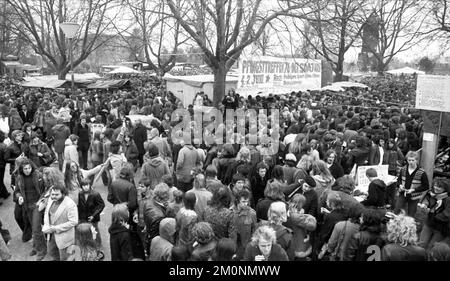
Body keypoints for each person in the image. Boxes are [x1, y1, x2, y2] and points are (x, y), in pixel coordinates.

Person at [13, 158, 47, 260]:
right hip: (26, 206)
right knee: (33, 228)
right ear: (21, 169)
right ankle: (36, 247)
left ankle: (42, 250)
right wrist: (19, 197)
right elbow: (17, 191)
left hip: (37, 205)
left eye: (29, 168)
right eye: (25, 169)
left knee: (36, 229)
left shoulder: (38, 175)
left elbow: (46, 189)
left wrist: (42, 201)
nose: (27, 170)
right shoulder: (19, 178)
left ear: (31, 167)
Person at [42, 184, 78, 261]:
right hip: (51, 236)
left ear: (63, 194)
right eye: (52, 194)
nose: (54, 196)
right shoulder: (51, 200)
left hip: (64, 238)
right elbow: (46, 212)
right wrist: (46, 225)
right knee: (52, 253)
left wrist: (55, 228)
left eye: (57, 194)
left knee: (66, 258)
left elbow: (73, 221)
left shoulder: (70, 204)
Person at [418, 177, 450, 251]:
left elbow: (446, 215)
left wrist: (430, 212)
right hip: (429, 224)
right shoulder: (431, 193)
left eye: (439, 187)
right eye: (435, 185)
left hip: (440, 228)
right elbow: (426, 199)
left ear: (445, 188)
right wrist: (424, 205)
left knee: (432, 247)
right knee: (421, 244)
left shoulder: (448, 199)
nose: (436, 188)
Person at [396, 151, 429, 217]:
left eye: (412, 160)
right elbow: (399, 180)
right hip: (403, 193)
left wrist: (413, 190)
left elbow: (426, 186)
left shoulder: (421, 172)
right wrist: (400, 185)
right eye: (409, 160)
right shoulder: (403, 169)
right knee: (397, 210)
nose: (411, 162)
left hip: (414, 196)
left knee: (411, 214)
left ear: (416, 160)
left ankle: (409, 226)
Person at [285, 194, 317, 261]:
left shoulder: (286, 208)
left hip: (290, 237)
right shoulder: (296, 216)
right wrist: (309, 217)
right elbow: (312, 226)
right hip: (299, 239)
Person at [77, 179, 105, 247]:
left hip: (93, 217)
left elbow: (101, 205)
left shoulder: (95, 194)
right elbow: (79, 206)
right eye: (84, 185)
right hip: (83, 217)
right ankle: (87, 244)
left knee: (95, 231)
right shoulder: (80, 194)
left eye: (87, 185)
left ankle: (98, 245)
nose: (85, 187)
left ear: (90, 185)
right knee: (85, 231)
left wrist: (94, 215)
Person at [144, 183, 170, 255]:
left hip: (148, 235)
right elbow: (157, 236)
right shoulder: (160, 217)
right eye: (167, 196)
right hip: (156, 245)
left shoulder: (148, 202)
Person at [232, 189, 257, 261]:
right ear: (237, 201)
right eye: (243, 201)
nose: (246, 204)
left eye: (247, 201)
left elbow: (254, 231)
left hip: (246, 247)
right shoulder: (231, 212)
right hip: (234, 246)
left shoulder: (252, 213)